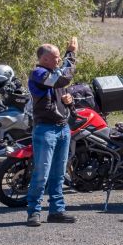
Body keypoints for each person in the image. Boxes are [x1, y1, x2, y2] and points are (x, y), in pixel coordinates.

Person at [25, 37, 79, 226]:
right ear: (44, 59)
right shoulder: (38, 73)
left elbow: (60, 91)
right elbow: (63, 77)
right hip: (45, 129)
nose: (58, 60)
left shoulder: (53, 73)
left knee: (58, 173)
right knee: (42, 173)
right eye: (55, 57)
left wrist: (68, 102)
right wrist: (71, 54)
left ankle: (57, 211)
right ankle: (34, 211)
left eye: (59, 57)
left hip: (62, 128)